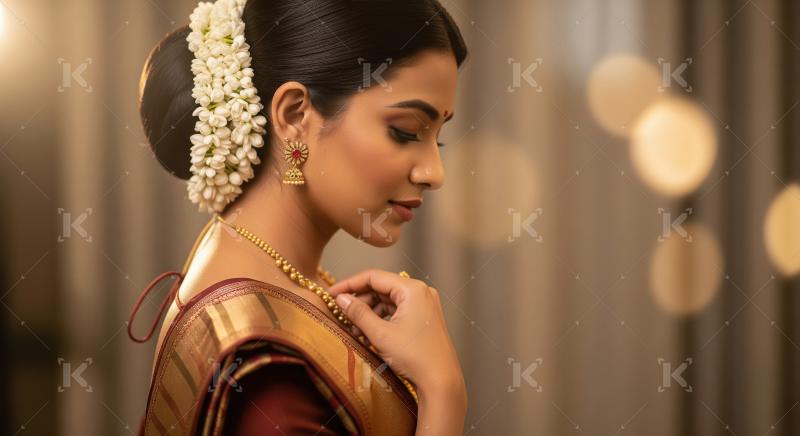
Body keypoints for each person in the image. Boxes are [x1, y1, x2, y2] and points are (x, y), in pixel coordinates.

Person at [130, 0, 469, 434]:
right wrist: (443, 393)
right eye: (404, 131)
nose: (433, 174)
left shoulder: (232, 252)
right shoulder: (268, 379)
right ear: (294, 116)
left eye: (437, 140)